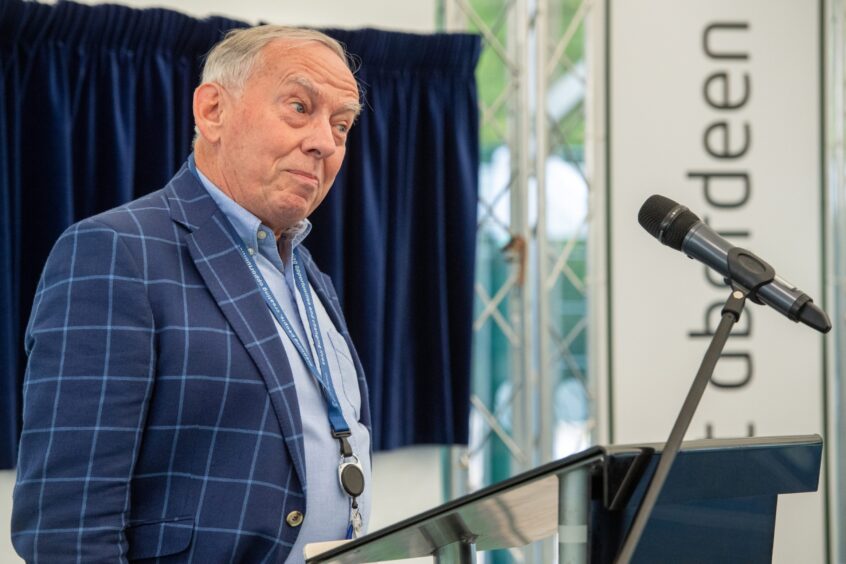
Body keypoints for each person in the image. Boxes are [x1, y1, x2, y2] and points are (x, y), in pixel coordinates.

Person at [11, 25, 371, 563]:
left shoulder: (308, 274)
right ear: (212, 111)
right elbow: (67, 528)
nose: (324, 141)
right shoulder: (117, 251)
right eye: (300, 107)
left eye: (341, 126)